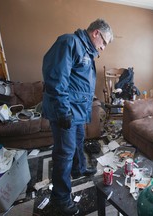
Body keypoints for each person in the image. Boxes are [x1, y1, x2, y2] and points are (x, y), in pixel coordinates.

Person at [42, 18, 113, 215]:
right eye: (104, 42)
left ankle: (79, 168)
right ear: (96, 33)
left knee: (79, 141)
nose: (104, 48)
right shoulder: (69, 42)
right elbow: (56, 78)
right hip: (67, 110)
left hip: (78, 111)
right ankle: (60, 198)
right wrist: (63, 110)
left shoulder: (88, 52)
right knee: (64, 153)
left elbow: (79, 82)